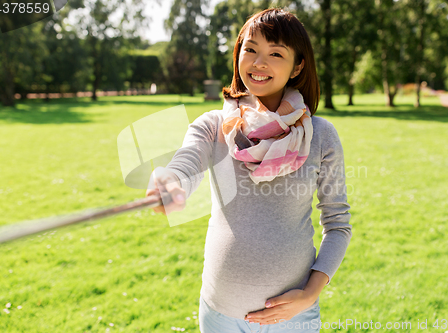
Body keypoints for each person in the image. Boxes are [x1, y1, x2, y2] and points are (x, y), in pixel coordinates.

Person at [146, 8, 352, 333]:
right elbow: (185, 164)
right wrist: (169, 180)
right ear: (238, 52)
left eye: (275, 53)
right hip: (220, 315)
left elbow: (338, 225)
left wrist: (309, 294)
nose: (259, 62)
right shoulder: (213, 126)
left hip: (294, 318)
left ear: (298, 65)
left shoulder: (322, 136)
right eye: (251, 49)